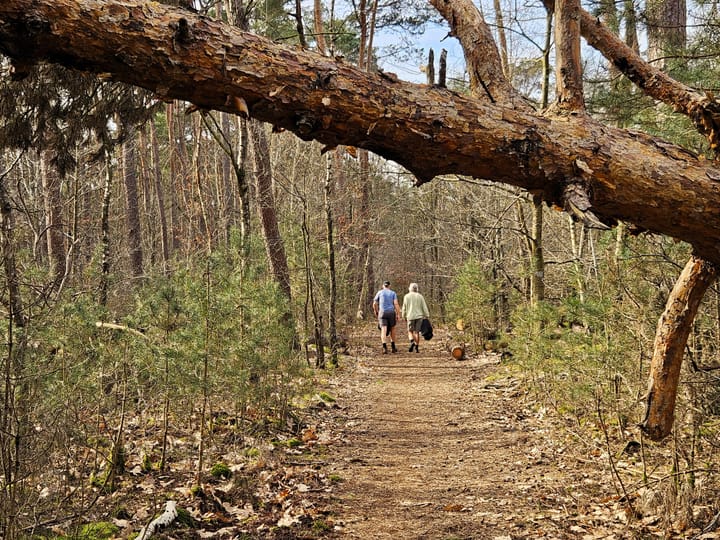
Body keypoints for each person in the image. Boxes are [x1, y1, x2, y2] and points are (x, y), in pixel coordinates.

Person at [372, 280, 402, 353]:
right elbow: (396, 304)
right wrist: (398, 314)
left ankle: (384, 347)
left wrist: (376, 311)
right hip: (391, 312)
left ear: (383, 286)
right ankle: (393, 347)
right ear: (389, 286)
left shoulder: (379, 292)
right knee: (392, 329)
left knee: (383, 329)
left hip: (382, 312)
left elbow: (375, 303)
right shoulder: (393, 293)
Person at [401, 282, 430, 353]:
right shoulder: (420, 296)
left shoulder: (406, 296)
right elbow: (424, 306)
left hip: (410, 316)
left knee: (410, 331)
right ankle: (417, 347)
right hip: (419, 317)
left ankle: (412, 342)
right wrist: (427, 315)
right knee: (417, 332)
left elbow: (404, 307)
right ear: (417, 289)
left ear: (410, 288)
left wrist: (403, 315)